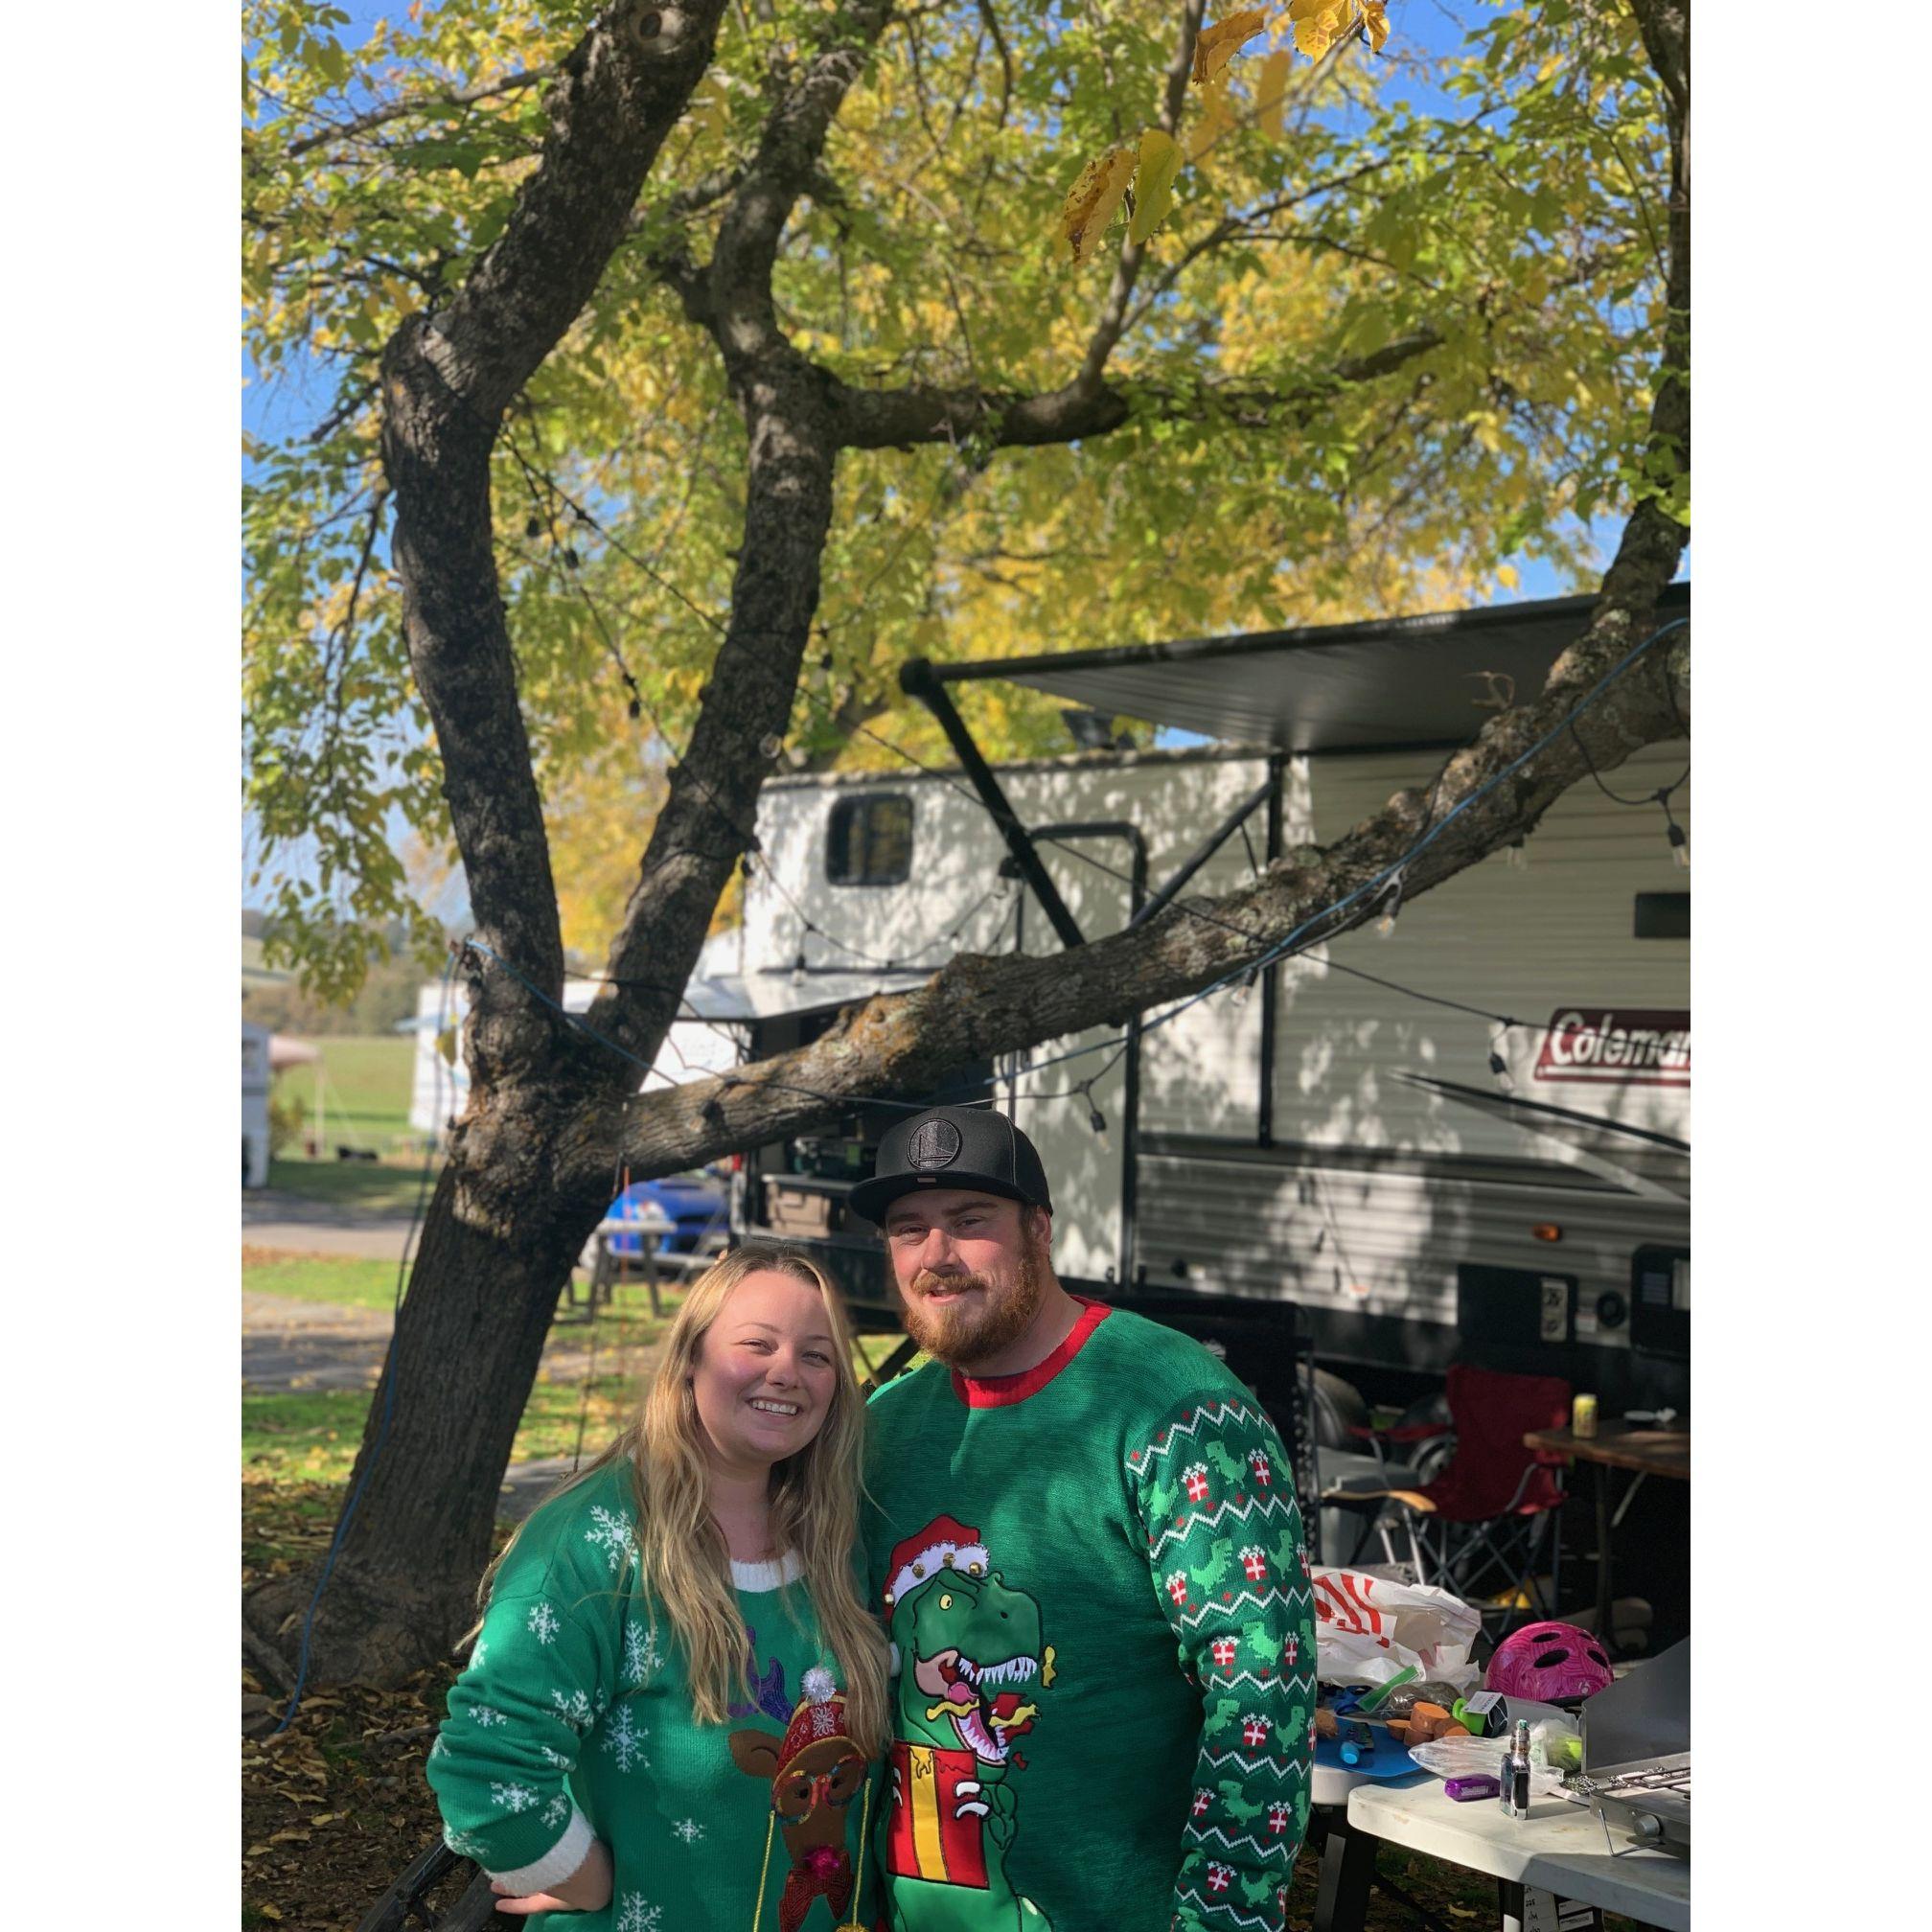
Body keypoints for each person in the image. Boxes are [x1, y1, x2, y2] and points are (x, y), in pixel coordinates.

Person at [851, 1106, 1317, 1932]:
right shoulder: (879, 1429)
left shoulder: (1179, 1410)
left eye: (969, 1222)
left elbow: (1259, 1694)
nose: (936, 1257)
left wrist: (1223, 1920)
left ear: (1040, 1228)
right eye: (907, 1229)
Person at [427, 1244, 889, 1932]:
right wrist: (584, 1879)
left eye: (816, 1356)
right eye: (756, 1344)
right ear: (689, 1360)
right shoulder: (597, 1539)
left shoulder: (832, 1537)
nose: (787, 1372)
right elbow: (486, 1763)